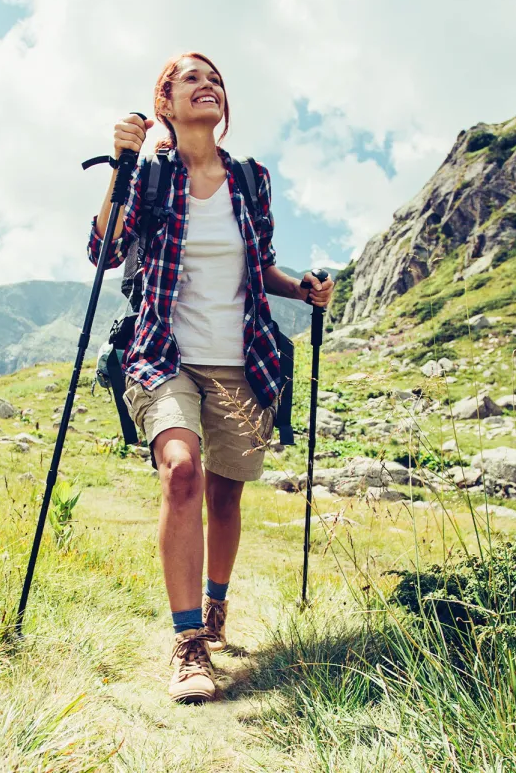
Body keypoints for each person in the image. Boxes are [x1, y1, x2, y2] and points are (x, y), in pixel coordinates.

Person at [87, 52, 334, 703]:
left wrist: (301, 288)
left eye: (217, 79)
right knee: (182, 472)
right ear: (164, 102)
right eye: (193, 78)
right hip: (163, 354)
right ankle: (188, 643)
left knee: (226, 498)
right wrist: (120, 166)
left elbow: (263, 269)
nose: (209, 86)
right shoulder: (148, 177)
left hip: (243, 359)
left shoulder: (251, 180)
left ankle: (215, 607)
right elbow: (103, 249)